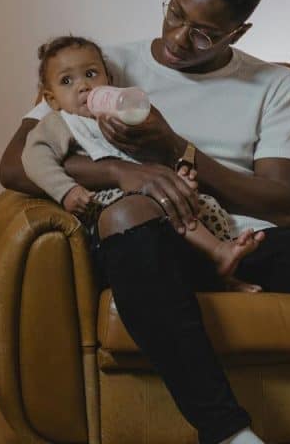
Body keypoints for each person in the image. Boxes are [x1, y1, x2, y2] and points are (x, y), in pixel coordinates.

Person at [0, 0, 290, 444]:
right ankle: (229, 432)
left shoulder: (275, 85)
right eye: (175, 13)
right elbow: (15, 163)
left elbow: (282, 204)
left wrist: (174, 148)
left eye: (205, 33)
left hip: (242, 240)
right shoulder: (99, 67)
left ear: (239, 31)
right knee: (129, 215)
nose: (179, 39)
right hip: (150, 245)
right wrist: (124, 175)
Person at [23, 34, 264, 292]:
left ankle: (223, 271)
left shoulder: (122, 119)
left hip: (149, 194)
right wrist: (66, 190)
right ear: (51, 99)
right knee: (160, 205)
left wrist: (179, 177)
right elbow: (34, 156)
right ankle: (218, 253)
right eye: (67, 81)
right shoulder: (62, 122)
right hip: (109, 205)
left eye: (91, 74)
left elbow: (146, 163)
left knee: (205, 205)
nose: (83, 86)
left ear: (110, 81)